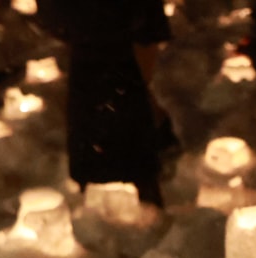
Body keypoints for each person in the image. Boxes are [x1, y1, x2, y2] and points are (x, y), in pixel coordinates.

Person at [36, 0, 172, 207]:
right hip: (102, 47)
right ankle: (120, 184)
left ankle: (127, 183)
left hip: (104, 47)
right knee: (109, 115)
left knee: (113, 114)